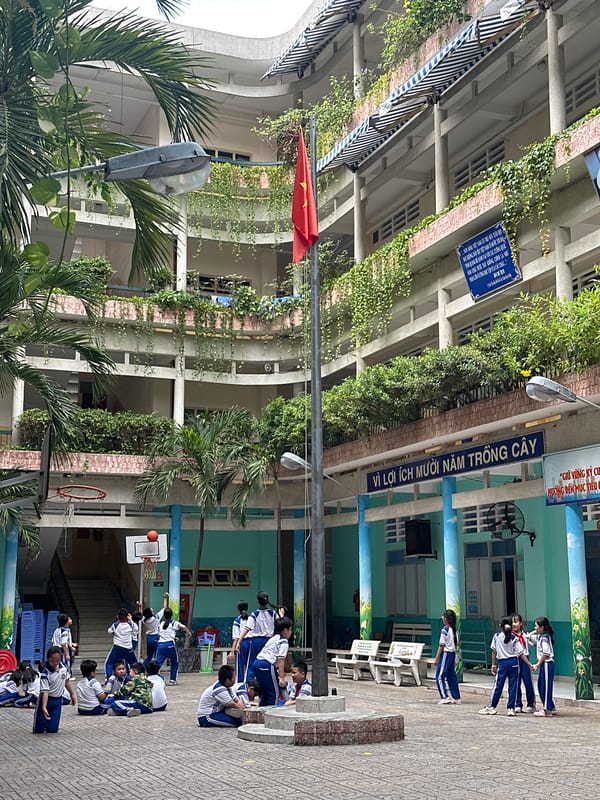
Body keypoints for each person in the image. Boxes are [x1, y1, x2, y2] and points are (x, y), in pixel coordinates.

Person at [479, 616, 534, 716]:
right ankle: (511, 708)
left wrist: (493, 665)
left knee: (498, 686)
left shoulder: (496, 636)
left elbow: (494, 652)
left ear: (500, 626)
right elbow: (521, 653)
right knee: (513, 686)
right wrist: (529, 664)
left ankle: (491, 706)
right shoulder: (514, 638)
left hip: (503, 663)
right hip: (514, 663)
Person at [234, 591, 277, 681]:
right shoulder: (273, 613)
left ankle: (248, 682)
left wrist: (239, 641)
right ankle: (266, 681)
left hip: (256, 642)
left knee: (252, 664)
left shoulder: (254, 614)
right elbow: (280, 623)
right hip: (269, 641)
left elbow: (247, 629)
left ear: (257, 601)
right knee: (268, 662)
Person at [33, 645, 76, 734]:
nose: (55, 663)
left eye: (57, 660)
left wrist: (72, 694)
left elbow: (66, 681)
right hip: (46, 699)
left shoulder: (63, 668)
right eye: (53, 661)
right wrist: (44, 707)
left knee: (52, 730)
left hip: (58, 700)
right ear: (48, 659)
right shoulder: (45, 673)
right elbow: (45, 691)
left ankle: (49, 725)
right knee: (39, 730)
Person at [252, 616, 293, 707]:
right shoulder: (284, 641)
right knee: (274, 693)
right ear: (285, 630)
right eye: (290, 630)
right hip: (266, 664)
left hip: (256, 663)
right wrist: (282, 678)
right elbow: (281, 660)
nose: (291, 632)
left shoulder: (274, 638)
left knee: (264, 692)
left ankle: (262, 712)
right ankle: (271, 714)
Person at [154, 606, 192, 685]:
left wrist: (173, 638)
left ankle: (154, 678)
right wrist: (188, 633)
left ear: (164, 616)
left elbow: (162, 634)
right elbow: (183, 627)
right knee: (174, 662)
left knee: (157, 664)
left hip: (161, 645)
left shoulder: (161, 624)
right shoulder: (174, 623)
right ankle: (172, 680)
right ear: (171, 615)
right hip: (170, 645)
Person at [529, 616, 556, 717]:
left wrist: (537, 664)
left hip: (547, 664)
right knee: (541, 686)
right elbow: (529, 637)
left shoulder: (545, 638)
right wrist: (534, 632)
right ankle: (550, 706)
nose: (535, 628)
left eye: (536, 626)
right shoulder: (541, 637)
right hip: (544, 665)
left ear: (542, 627)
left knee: (546, 687)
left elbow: (546, 653)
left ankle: (547, 709)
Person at [433, 609, 461, 705]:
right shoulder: (454, 630)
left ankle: (444, 696)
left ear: (446, 619)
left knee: (440, 676)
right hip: (452, 653)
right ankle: (456, 697)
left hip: (446, 654)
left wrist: (436, 659)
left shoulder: (444, 630)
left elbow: (441, 645)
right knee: (451, 676)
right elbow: (458, 643)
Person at [511, 613, 536, 713]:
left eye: (516, 622)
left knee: (528, 682)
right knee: (516, 682)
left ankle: (531, 704)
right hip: (515, 659)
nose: (514, 624)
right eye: (512, 622)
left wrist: (530, 636)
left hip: (525, 659)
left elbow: (534, 643)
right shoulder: (510, 636)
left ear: (521, 623)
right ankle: (518, 704)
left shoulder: (525, 635)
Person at [104, 608, 138, 678]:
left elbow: (109, 631)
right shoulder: (131, 624)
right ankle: (137, 677)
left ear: (117, 616)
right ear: (127, 616)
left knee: (109, 663)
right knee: (134, 663)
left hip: (118, 647)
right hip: (128, 648)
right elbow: (136, 629)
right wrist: (131, 620)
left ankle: (109, 679)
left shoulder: (115, 625)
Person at [138, 595, 167, 666]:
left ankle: (142, 669)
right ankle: (156, 671)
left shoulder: (144, 620)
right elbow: (164, 608)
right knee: (157, 656)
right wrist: (165, 598)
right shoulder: (156, 618)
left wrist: (140, 606)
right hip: (155, 638)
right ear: (151, 613)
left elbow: (141, 614)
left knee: (149, 657)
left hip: (148, 638)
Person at [228, 601, 249, 679]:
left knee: (240, 666)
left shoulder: (237, 621)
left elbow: (236, 638)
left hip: (241, 643)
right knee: (249, 665)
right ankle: (250, 682)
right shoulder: (251, 619)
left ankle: (240, 683)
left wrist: (232, 651)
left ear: (238, 609)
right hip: (251, 643)